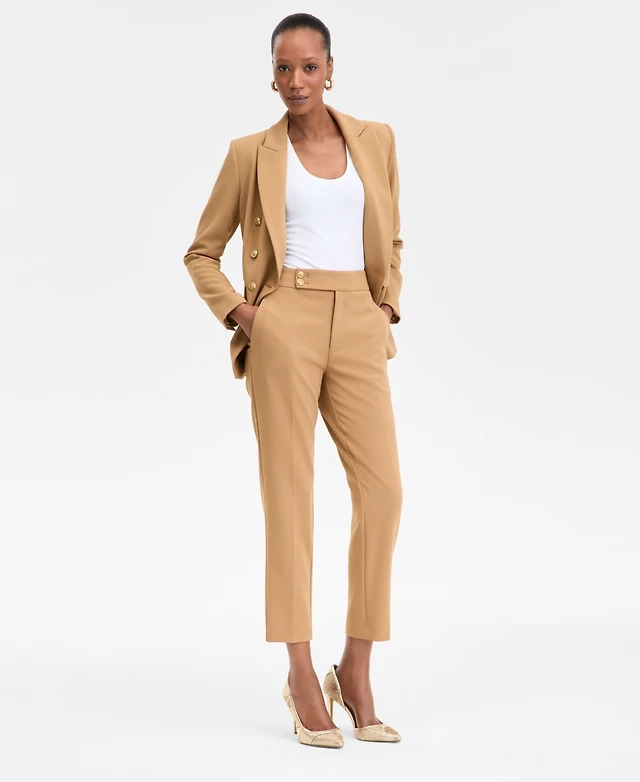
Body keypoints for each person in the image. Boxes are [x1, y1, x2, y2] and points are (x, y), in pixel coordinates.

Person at [183, 13, 404, 748]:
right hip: (285, 322)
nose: (297, 80)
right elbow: (202, 252)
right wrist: (248, 316)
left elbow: (391, 233)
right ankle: (302, 673)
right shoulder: (251, 153)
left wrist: (386, 305)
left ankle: (356, 667)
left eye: (310, 67)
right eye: (284, 67)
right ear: (272, 75)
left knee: (383, 492)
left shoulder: (376, 140)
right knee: (290, 499)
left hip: (359, 320)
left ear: (331, 70)